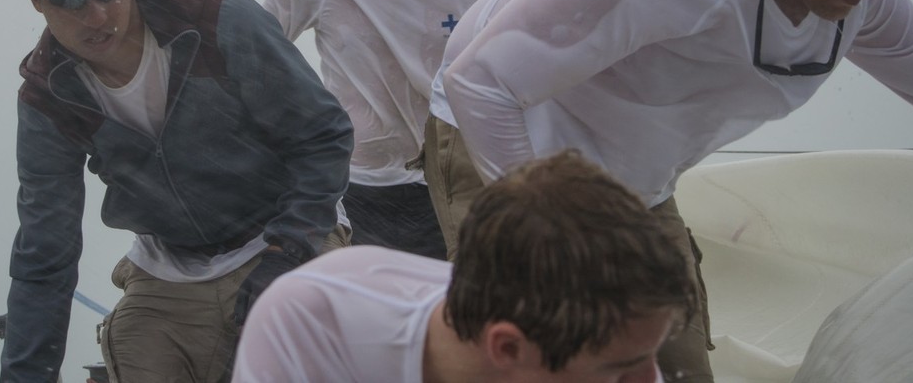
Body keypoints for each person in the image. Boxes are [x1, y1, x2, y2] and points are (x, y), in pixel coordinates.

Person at [424, 0, 913, 382]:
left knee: (679, 369)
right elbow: (479, 84)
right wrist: (555, 239)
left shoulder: (866, 0)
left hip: (636, 183)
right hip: (505, 139)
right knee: (548, 361)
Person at [1, 0, 354, 383]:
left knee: (312, 344)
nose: (97, 15)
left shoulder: (218, 17)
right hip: (169, 268)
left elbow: (324, 134)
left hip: (283, 234)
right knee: (133, 347)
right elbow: (45, 254)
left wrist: (287, 249)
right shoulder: (46, 99)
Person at [231, 149, 697, 383]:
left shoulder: (612, 339)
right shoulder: (317, 322)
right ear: (509, 348)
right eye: (617, 371)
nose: (648, 380)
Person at [264, 0, 507, 260]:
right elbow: (258, 61)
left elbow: (512, 63)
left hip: (459, 176)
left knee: (473, 306)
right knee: (375, 319)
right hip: (360, 185)